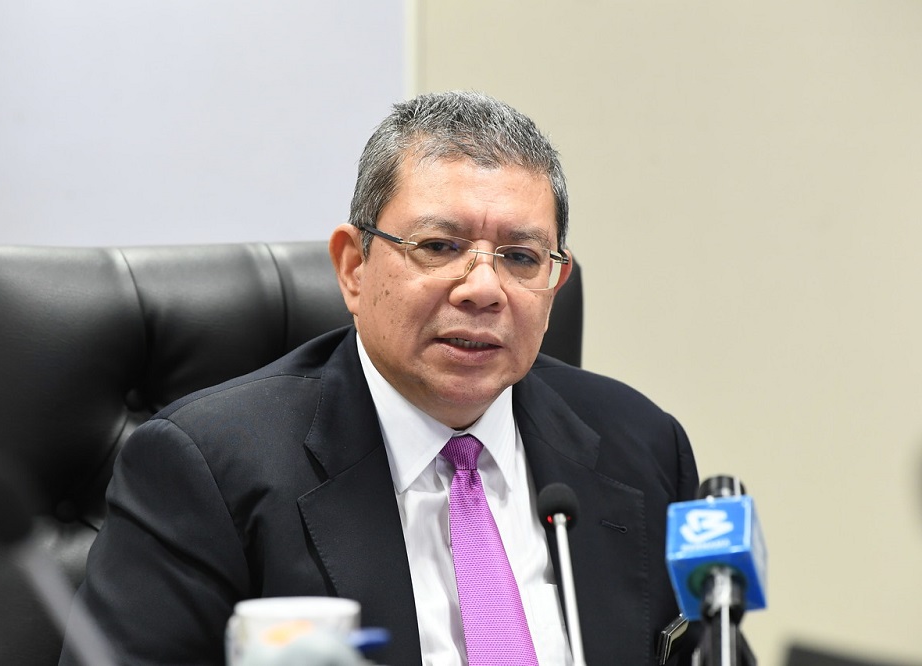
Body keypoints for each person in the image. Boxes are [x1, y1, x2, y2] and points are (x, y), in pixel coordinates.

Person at [59, 90, 699, 665]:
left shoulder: (640, 446)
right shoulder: (203, 471)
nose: (483, 288)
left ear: (555, 283)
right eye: (439, 246)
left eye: (521, 258)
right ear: (353, 268)